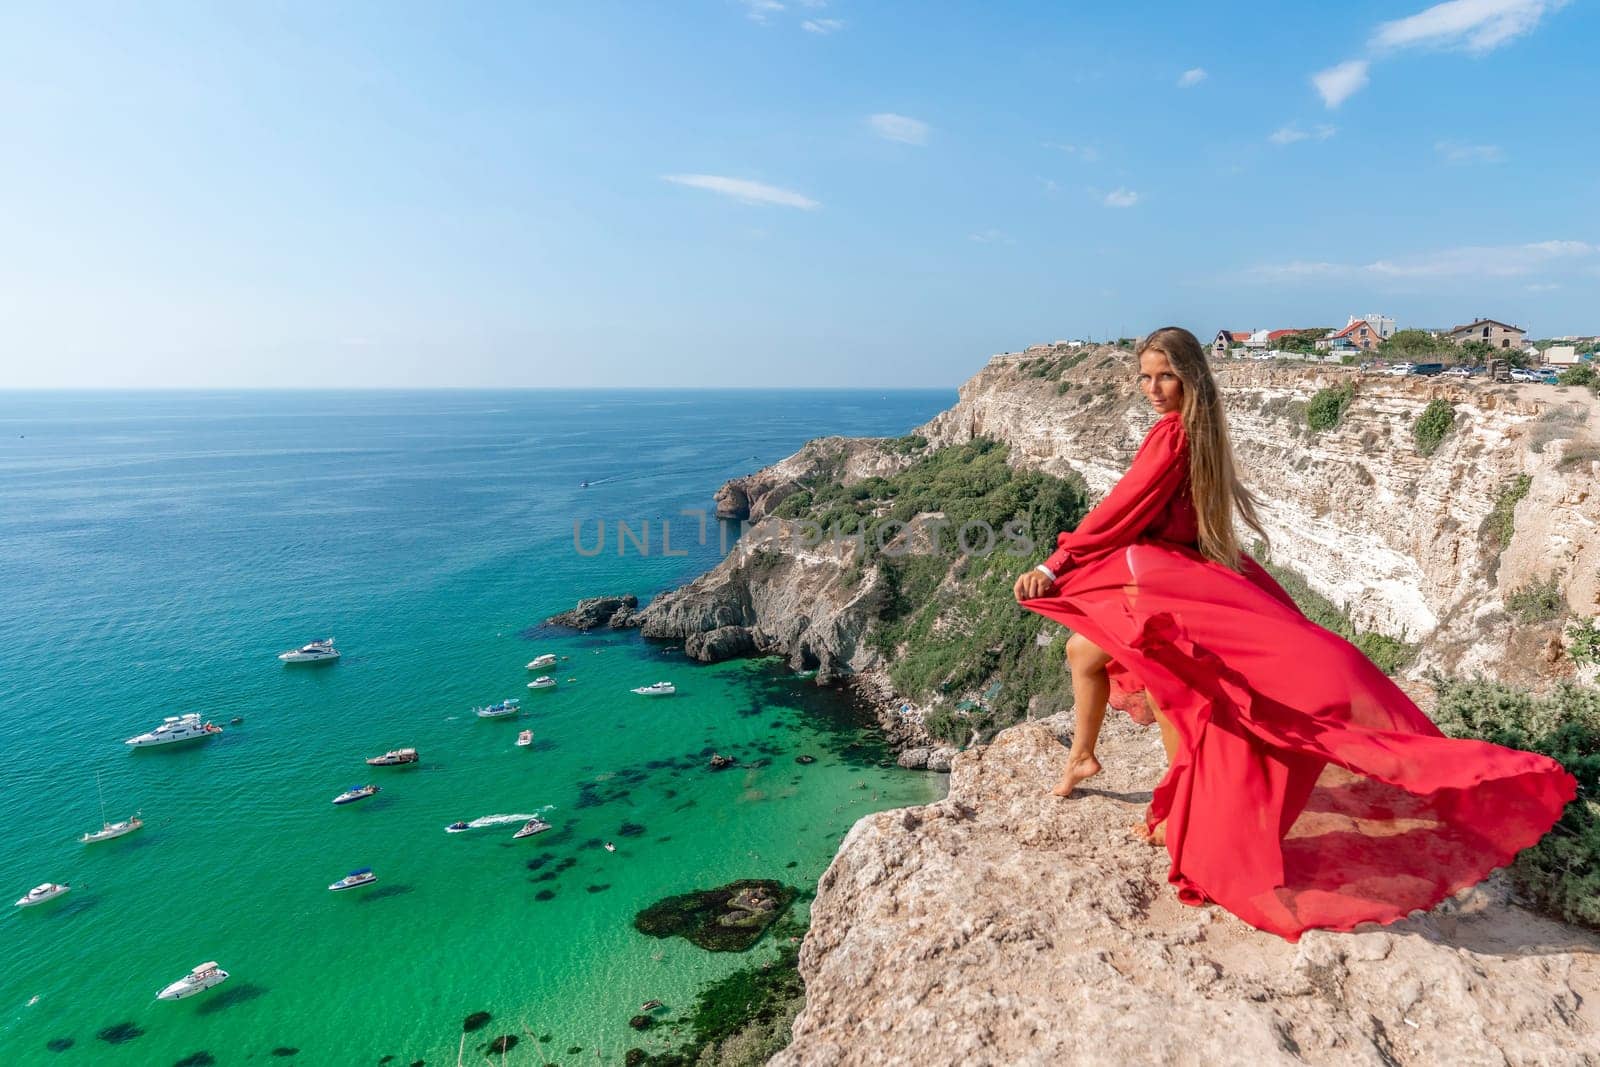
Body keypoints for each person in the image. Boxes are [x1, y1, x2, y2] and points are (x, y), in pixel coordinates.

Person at [1012, 326, 1576, 942]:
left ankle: (1176, 813)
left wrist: (1056, 563)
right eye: (1144, 377)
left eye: (1165, 376)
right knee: (1086, 648)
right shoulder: (1196, 429)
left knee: (1182, 685)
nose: (1153, 389)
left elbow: (1120, 507)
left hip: (1168, 573)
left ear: (1191, 377)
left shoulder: (1175, 432)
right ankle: (1084, 757)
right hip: (1180, 565)